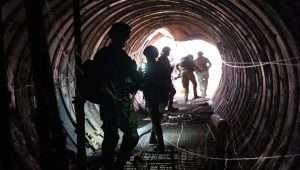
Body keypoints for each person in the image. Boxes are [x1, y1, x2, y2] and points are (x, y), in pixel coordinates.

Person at [93, 22, 142, 170]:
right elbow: (97, 78)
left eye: (125, 36)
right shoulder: (107, 55)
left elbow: (132, 77)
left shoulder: (112, 55)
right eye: (124, 36)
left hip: (119, 101)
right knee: (114, 136)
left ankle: (115, 164)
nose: (125, 39)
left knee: (120, 135)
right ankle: (113, 165)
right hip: (111, 101)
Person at [143, 45, 168, 151]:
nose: (147, 58)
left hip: (154, 96)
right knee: (156, 118)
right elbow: (167, 82)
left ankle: (161, 144)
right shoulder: (161, 66)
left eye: (147, 56)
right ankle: (153, 138)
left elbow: (146, 82)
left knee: (155, 120)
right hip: (160, 96)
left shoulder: (150, 66)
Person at [157, 46, 178, 111]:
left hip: (165, 78)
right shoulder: (163, 59)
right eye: (168, 51)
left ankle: (167, 107)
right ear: (165, 51)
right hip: (164, 79)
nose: (169, 52)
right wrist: (172, 67)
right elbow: (165, 70)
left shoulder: (164, 58)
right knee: (170, 92)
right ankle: (164, 108)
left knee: (171, 92)